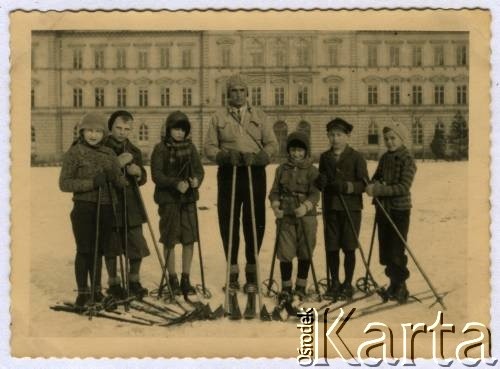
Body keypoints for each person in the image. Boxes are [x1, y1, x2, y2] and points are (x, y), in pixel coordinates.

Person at [204, 74, 278, 292]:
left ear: (248, 94)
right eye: (233, 90)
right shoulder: (218, 117)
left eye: (241, 90)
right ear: (228, 94)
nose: (237, 94)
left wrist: (260, 158)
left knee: (254, 221)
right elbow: (208, 147)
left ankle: (252, 271)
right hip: (229, 173)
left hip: (253, 173)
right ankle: (233, 270)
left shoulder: (260, 116)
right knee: (228, 220)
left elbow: (272, 144)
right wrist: (225, 157)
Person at [59, 112, 127, 308]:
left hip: (106, 208)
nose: (93, 135)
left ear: (104, 133)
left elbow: (119, 181)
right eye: (89, 130)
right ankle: (83, 293)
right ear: (82, 131)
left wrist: (130, 175)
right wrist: (91, 183)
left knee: (99, 251)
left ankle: (96, 291)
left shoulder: (109, 154)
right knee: (84, 250)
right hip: (84, 208)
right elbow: (64, 183)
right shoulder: (75, 152)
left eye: (98, 131)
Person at [151, 111, 204, 296]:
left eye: (183, 129)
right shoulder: (161, 148)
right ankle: (172, 278)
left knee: (189, 239)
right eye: (176, 129)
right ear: (168, 129)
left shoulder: (191, 148)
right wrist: (175, 184)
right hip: (169, 200)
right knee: (170, 238)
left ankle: (185, 278)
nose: (180, 133)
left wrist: (196, 180)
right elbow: (157, 175)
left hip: (188, 200)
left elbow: (199, 170)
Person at [316, 118, 368, 300]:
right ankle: (335, 282)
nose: (335, 139)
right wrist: (320, 181)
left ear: (347, 136)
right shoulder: (324, 157)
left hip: (351, 209)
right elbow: (321, 178)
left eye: (339, 135)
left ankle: (347, 283)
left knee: (348, 246)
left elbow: (364, 184)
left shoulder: (356, 157)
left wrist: (347, 187)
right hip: (331, 208)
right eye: (331, 135)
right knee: (331, 246)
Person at [365, 122, 417, 303]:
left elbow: (403, 187)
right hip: (383, 209)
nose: (389, 142)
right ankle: (393, 284)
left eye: (393, 138)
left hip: (399, 210)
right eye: (386, 139)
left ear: (402, 139)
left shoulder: (407, 159)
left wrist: (380, 189)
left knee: (396, 249)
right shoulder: (385, 158)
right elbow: (375, 178)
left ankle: (401, 286)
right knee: (386, 251)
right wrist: (373, 185)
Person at [103, 110, 150, 299]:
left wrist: (138, 172)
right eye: (118, 128)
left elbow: (144, 178)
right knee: (112, 244)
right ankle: (113, 283)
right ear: (111, 128)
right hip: (110, 201)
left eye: (127, 129)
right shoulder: (103, 149)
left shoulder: (134, 151)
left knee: (136, 243)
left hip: (131, 203)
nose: (122, 132)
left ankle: (133, 280)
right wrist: (117, 162)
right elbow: (100, 172)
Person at [268, 131, 319, 301]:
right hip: (286, 216)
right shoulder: (281, 169)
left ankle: (301, 286)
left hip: (307, 217)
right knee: (285, 252)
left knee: (305, 251)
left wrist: (306, 206)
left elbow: (315, 194)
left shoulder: (312, 171)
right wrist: (276, 206)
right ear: (288, 151)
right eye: (293, 150)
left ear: (306, 151)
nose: (296, 154)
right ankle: (286, 288)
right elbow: (274, 191)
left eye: (300, 150)